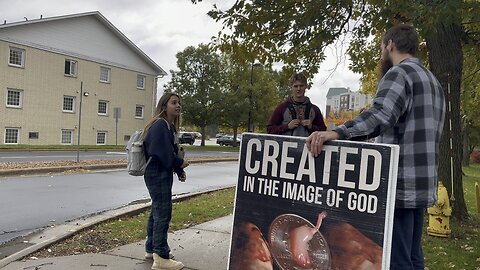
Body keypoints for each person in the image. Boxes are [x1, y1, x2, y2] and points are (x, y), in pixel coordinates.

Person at [306, 24, 445, 270]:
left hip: (399, 183)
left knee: (396, 259)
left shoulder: (399, 74)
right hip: (422, 183)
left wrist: (338, 131)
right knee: (413, 257)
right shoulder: (431, 80)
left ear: (390, 43)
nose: (382, 51)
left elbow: (381, 115)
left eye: (382, 46)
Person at [143, 92, 189, 270]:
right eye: (174, 103)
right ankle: (161, 257)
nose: (178, 106)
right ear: (164, 106)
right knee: (163, 212)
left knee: (156, 210)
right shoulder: (160, 126)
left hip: (160, 172)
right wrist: (179, 163)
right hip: (157, 172)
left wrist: (178, 169)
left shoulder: (168, 126)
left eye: (179, 103)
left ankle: (151, 248)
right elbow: (161, 154)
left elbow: (169, 153)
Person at [267, 72, 327, 136]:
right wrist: (287, 127)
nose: (299, 89)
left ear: (305, 86)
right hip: (287, 145)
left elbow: (323, 130)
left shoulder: (315, 109)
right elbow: (270, 129)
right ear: (291, 87)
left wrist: (312, 127)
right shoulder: (282, 108)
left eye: (301, 86)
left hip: (307, 145)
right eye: (296, 86)